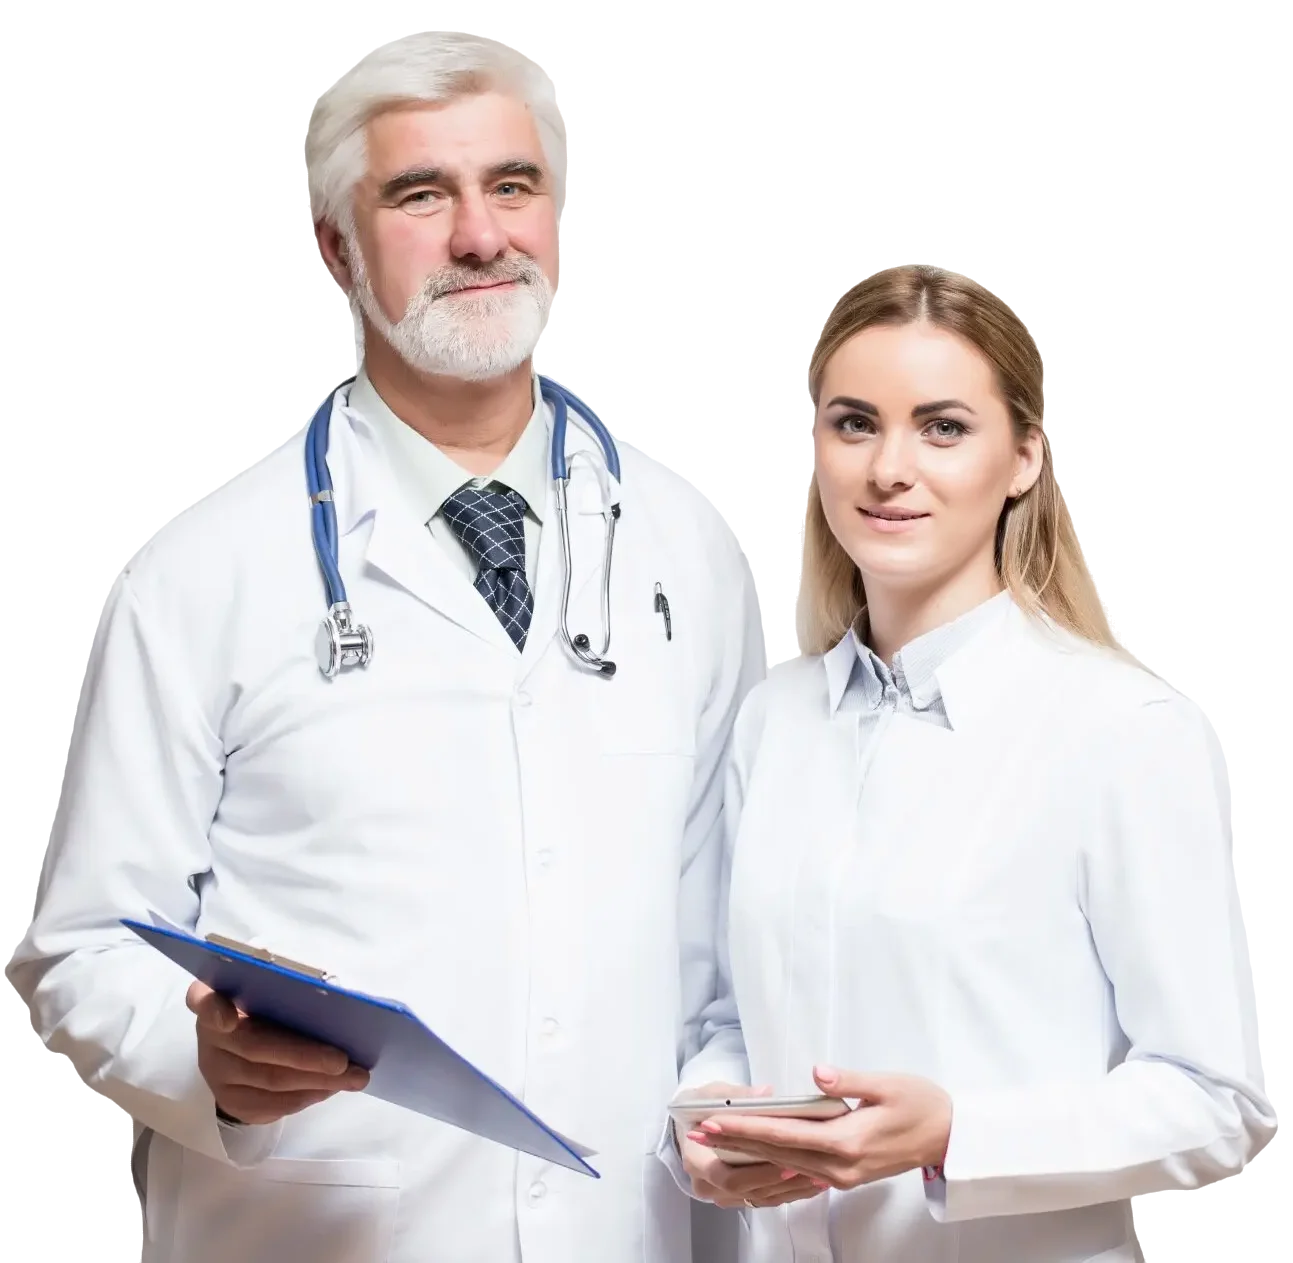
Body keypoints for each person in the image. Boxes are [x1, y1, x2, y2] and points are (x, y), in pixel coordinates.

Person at [9, 30, 761, 1263]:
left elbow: (720, 924)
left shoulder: (685, 544)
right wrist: (206, 1065)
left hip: (624, 1228)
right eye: (422, 195)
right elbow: (82, 951)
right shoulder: (198, 573)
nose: (481, 236)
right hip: (328, 1226)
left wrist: (728, 1106)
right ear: (335, 250)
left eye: (512, 187)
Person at [659, 265, 1278, 1263]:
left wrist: (957, 1135)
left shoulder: (1119, 728)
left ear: (1024, 457)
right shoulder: (771, 726)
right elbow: (739, 1018)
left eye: (943, 427)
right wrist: (705, 1121)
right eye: (854, 423)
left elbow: (1219, 1103)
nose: (888, 469)